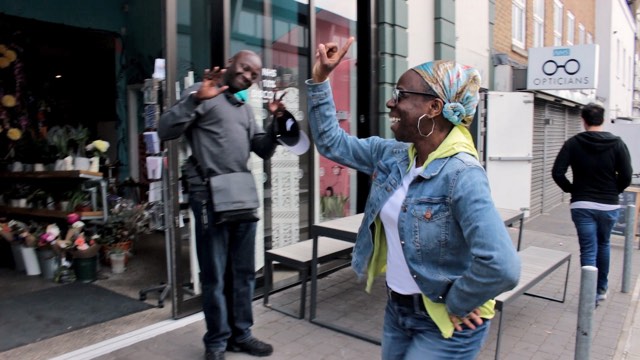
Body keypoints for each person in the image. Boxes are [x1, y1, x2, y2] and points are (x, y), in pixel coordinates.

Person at [306, 38, 520, 359]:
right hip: (397, 310)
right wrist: (321, 79)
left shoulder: (462, 174)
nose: (391, 104)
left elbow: (502, 266)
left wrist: (460, 300)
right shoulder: (393, 156)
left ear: (434, 108)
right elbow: (332, 144)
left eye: (400, 96)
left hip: (448, 323)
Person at [158, 50, 284, 360]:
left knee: (242, 273)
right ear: (231, 62)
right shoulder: (200, 94)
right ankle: (216, 341)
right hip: (207, 197)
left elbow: (263, 150)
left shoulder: (244, 108)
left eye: (254, 75)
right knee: (214, 275)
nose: (249, 76)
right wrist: (195, 100)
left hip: (241, 197)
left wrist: (276, 125)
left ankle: (241, 335)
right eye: (245, 69)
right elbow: (165, 130)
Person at [552, 103, 632, 306]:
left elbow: (557, 172)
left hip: (582, 205)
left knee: (588, 249)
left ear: (583, 120)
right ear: (602, 120)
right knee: (603, 244)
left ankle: (589, 296)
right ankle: (600, 289)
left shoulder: (573, 143)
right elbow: (626, 175)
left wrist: (572, 190)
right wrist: (615, 191)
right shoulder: (617, 144)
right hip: (608, 205)